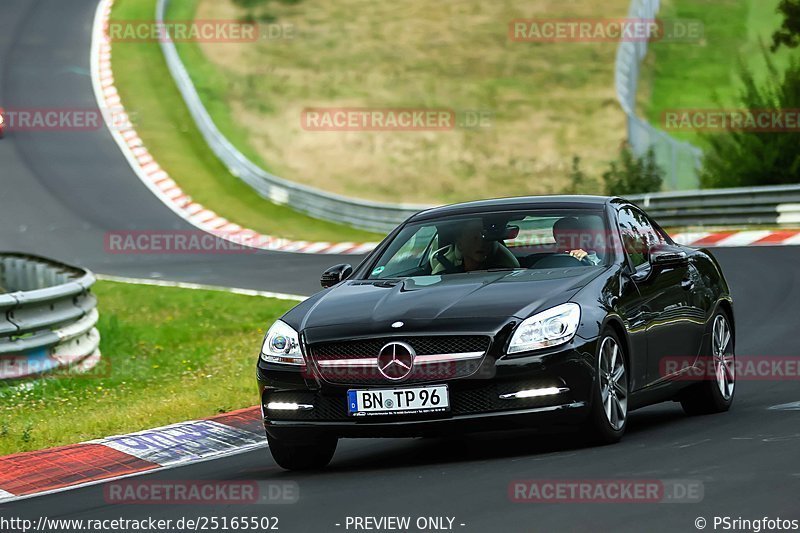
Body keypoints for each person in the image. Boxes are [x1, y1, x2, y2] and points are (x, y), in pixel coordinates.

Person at [430, 219, 519, 274]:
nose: (480, 243)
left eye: (484, 238)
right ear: (460, 244)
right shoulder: (445, 277)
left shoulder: (504, 274)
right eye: (473, 238)